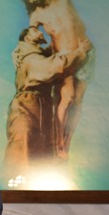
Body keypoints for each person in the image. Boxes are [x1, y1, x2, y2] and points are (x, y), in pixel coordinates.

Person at [4, 26, 89, 169]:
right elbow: (55, 66)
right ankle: (15, 187)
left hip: (38, 106)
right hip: (26, 107)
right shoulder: (30, 58)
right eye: (35, 30)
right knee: (22, 150)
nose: (40, 31)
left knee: (40, 153)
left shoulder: (34, 55)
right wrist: (80, 52)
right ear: (27, 38)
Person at [24, 0, 94, 159]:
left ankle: (67, 142)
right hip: (66, 58)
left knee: (77, 101)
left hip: (87, 53)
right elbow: (31, 41)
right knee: (66, 99)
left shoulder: (62, 1)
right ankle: (58, 144)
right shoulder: (36, 15)